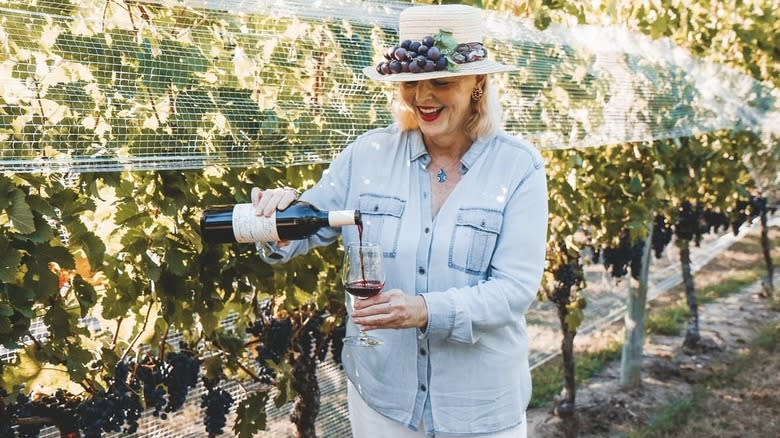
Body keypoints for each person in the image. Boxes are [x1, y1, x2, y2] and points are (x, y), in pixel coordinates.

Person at [252, 4, 548, 437]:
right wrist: (276, 217)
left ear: (478, 84)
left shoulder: (518, 168)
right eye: (411, 83)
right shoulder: (368, 156)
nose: (423, 97)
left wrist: (425, 310)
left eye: (441, 82)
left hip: (478, 408)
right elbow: (309, 222)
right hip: (383, 402)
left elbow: (514, 291)